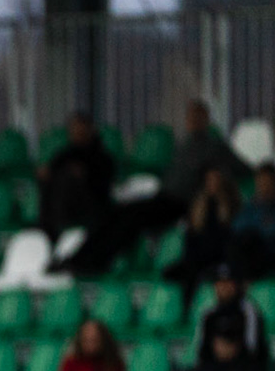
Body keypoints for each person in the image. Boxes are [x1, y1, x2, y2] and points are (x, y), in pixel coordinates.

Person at [54, 98, 248, 275]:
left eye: (198, 116)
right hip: (163, 197)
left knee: (131, 221)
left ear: (206, 119)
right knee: (113, 213)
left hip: (179, 203)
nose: (193, 121)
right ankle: (77, 258)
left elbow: (241, 168)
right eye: (190, 117)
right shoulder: (182, 145)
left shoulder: (214, 147)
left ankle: (95, 262)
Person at [37, 111, 116, 238]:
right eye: (74, 130)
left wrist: (83, 175)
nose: (77, 133)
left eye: (81, 130)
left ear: (90, 130)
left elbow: (102, 186)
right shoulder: (66, 154)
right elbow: (50, 170)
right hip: (62, 210)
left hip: (91, 209)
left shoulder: (103, 158)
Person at [162, 167, 240, 294]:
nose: (212, 184)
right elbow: (191, 237)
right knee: (171, 273)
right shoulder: (199, 207)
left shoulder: (230, 207)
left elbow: (227, 240)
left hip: (216, 259)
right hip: (197, 258)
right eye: (209, 180)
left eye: (215, 180)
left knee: (195, 275)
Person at [228, 162, 275, 280]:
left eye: (267, 182)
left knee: (249, 242)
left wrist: (255, 227)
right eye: (260, 182)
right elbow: (236, 226)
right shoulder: (252, 204)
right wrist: (260, 223)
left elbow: (272, 232)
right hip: (251, 251)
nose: (263, 186)